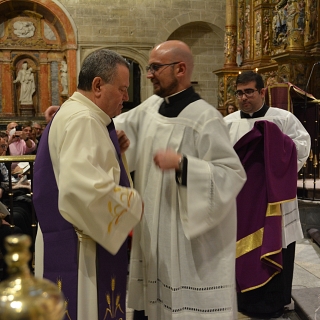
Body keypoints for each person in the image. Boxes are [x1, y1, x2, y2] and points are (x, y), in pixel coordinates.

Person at [114, 40, 246, 319]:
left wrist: (184, 165)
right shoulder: (150, 108)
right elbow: (114, 128)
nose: (148, 74)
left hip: (188, 238)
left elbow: (232, 175)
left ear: (180, 69)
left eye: (155, 68)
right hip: (152, 225)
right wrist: (70, 119)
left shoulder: (205, 118)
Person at [33, 49, 144, 320]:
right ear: (97, 86)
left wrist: (110, 147)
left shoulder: (72, 112)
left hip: (63, 239)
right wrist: (135, 203)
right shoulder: (85, 120)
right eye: (122, 89)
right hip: (82, 249)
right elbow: (80, 189)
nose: (126, 97)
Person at [224, 71, 311, 318]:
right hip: (242, 202)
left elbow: (301, 149)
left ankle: (277, 299)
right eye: (239, 93)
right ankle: (243, 298)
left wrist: (274, 147)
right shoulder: (227, 123)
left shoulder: (284, 119)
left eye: (249, 92)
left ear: (262, 92)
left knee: (279, 244)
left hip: (276, 200)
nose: (243, 98)